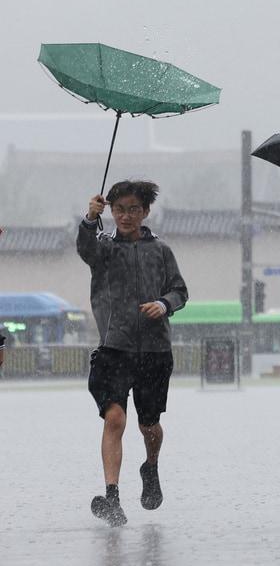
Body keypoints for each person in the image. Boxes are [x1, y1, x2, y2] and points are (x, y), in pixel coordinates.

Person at [77, 181, 189, 527]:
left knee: (149, 424)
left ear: (145, 212)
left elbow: (180, 291)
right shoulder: (104, 248)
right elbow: (86, 250)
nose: (126, 216)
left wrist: (163, 303)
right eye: (119, 209)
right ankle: (111, 496)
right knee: (114, 419)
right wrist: (88, 220)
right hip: (114, 347)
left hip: (155, 350)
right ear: (110, 211)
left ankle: (150, 466)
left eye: (133, 209)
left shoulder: (161, 250)